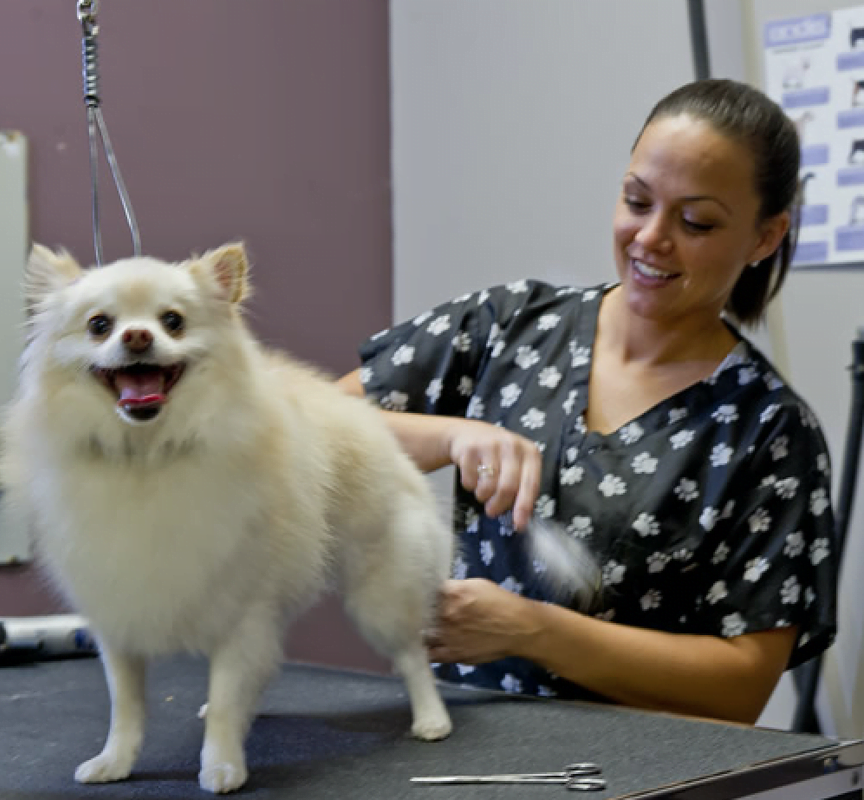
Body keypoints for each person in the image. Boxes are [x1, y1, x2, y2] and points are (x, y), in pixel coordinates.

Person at [338, 78, 838, 725]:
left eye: (695, 221)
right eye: (637, 200)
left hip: (643, 774)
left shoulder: (768, 432)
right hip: (452, 749)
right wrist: (450, 437)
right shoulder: (508, 327)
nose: (650, 238)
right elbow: (303, 437)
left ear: (766, 237)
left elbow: (741, 685)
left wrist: (533, 632)